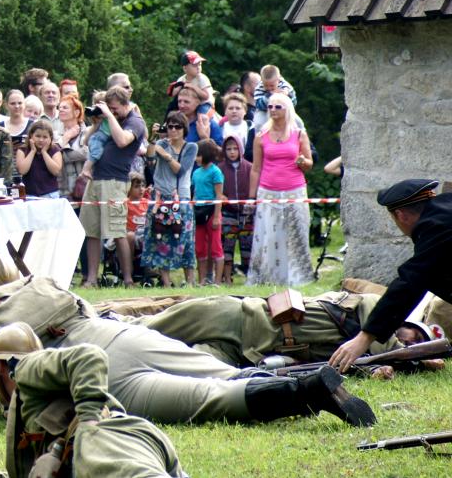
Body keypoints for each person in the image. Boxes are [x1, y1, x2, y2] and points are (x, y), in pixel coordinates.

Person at [0, 252, 376, 427]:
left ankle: (306, 391)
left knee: (210, 400)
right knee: (226, 373)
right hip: (123, 337)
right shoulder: (51, 288)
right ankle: (304, 378)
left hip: (100, 374)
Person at [0, 329, 187, 478]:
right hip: (125, 443)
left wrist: (88, 427)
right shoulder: (28, 402)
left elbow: (90, 356)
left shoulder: (27, 369)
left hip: (108, 443)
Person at [330, 179, 452, 372]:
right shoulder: (445, 210)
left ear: (400, 215)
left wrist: (365, 337)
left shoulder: (437, 227)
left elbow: (410, 282)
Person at [134, 290, 429, 368]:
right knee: (144, 329)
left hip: (247, 354)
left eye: (416, 343)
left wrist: (404, 363)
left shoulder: (361, 356)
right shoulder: (372, 307)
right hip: (243, 316)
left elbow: (378, 358)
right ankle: (98, 324)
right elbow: (383, 344)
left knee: (174, 361)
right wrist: (415, 358)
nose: (408, 341)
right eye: (413, 336)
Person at [80, 87, 144, 288]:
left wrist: (110, 116)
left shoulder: (135, 122)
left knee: (117, 231)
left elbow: (122, 140)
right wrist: (98, 122)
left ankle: (128, 279)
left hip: (115, 181)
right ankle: (91, 279)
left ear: (126, 104)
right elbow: (87, 141)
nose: (113, 112)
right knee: (91, 231)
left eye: (115, 109)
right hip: (95, 179)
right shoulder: (108, 120)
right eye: (110, 108)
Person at [246, 92, 313, 286]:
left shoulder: (299, 134)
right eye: (270, 107)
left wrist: (303, 161)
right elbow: (256, 168)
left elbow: (309, 163)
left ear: (287, 109)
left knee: (296, 234)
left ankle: (299, 279)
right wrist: (252, 197)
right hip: (268, 191)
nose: (273, 110)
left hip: (295, 190)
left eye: (278, 106)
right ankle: (266, 278)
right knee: (269, 235)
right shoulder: (261, 136)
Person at [142, 111, 197, 288]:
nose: (173, 130)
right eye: (170, 126)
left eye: (177, 127)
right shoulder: (160, 143)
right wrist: (152, 139)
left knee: (185, 239)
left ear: (184, 129)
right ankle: (165, 282)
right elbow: (149, 160)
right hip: (160, 197)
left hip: (180, 198)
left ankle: (190, 281)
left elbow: (180, 170)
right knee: (160, 239)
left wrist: (166, 155)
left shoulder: (191, 147)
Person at [219, 134, 254, 283]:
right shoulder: (219, 168)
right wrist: (220, 196)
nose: (232, 152)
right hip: (228, 213)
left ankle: (249, 276)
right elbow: (216, 189)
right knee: (228, 246)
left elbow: (256, 188)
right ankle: (227, 277)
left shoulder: (250, 167)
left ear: (241, 149)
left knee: (248, 246)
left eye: (235, 148)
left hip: (248, 213)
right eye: (228, 149)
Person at [192, 138, 224, 285]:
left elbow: (218, 195)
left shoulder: (216, 172)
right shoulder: (196, 173)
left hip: (212, 211)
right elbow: (195, 193)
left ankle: (217, 281)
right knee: (200, 248)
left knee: (216, 246)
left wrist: (217, 216)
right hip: (199, 211)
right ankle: (202, 280)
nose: (196, 158)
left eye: (198, 154)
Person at [14, 119, 62, 198]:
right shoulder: (23, 150)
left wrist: (44, 152)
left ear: (50, 138)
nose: (41, 140)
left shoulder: (54, 149)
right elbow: (22, 170)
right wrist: (32, 151)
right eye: (38, 136)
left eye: (45, 137)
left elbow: (56, 171)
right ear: (31, 136)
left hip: (50, 194)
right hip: (29, 194)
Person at [54, 95, 88, 202]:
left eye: (65, 107)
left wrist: (61, 150)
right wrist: (66, 137)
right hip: (62, 192)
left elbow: (85, 154)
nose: (61, 110)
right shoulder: (54, 135)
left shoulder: (87, 132)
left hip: (85, 190)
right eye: (60, 108)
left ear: (77, 113)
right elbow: (52, 155)